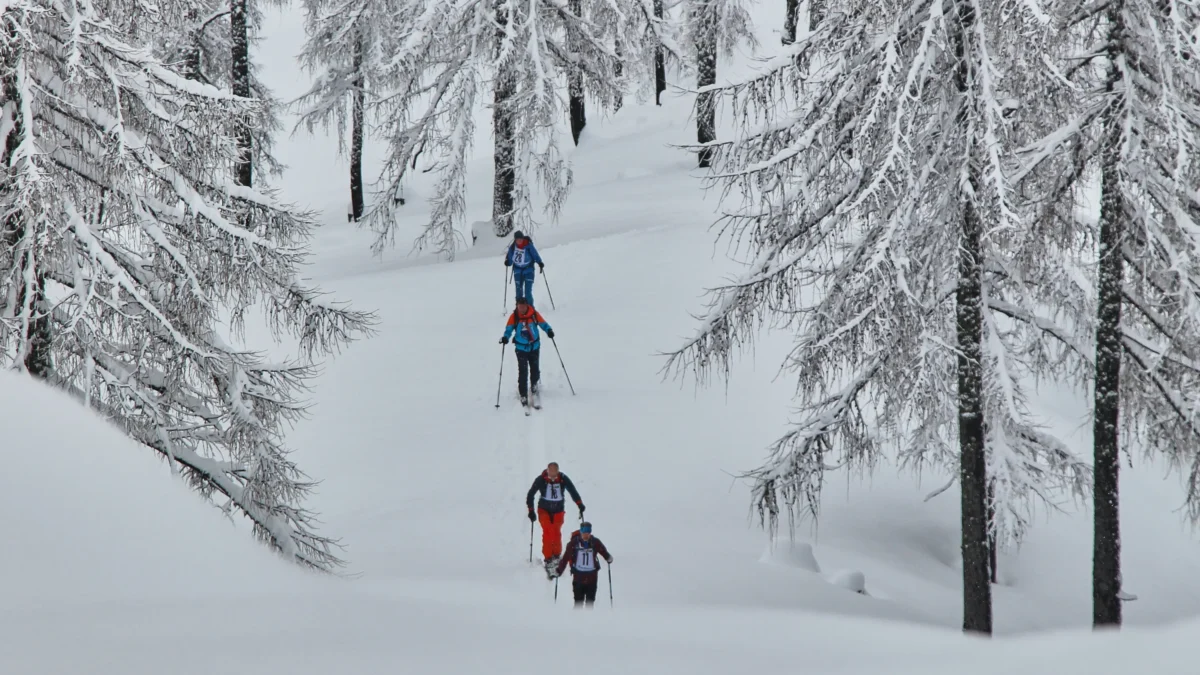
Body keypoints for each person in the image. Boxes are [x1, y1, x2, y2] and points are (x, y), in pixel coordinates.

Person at [526, 462, 585, 567]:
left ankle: (556, 555)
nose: (553, 477)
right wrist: (531, 510)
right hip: (544, 509)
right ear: (547, 471)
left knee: (556, 532)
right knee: (548, 531)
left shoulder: (563, 479)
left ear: (558, 472)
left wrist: (579, 504)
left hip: (558, 510)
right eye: (551, 474)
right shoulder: (541, 479)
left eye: (555, 474)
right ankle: (548, 557)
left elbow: (572, 491)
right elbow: (531, 494)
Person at [500, 297, 554, 407]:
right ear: (517, 306)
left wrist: (549, 330)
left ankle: (534, 386)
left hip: (534, 347)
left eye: (523, 306)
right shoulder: (514, 316)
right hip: (521, 349)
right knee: (523, 372)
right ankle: (523, 394)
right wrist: (505, 337)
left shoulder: (533, 314)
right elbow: (508, 329)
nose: (521, 309)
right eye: (519, 306)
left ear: (526, 305)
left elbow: (543, 323)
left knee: (535, 369)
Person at [553, 521, 612, 608]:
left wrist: (608, 558)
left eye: (588, 531)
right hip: (578, 578)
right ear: (580, 531)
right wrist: (559, 570)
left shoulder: (595, 542)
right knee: (578, 603)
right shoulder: (573, 543)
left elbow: (603, 551)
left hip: (592, 578)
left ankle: (588, 617)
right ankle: (578, 617)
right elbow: (565, 558)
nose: (586, 534)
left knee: (590, 604)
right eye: (584, 532)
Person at [504, 231, 544, 306]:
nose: (519, 241)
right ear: (515, 240)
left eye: (521, 239)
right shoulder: (513, 247)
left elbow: (535, 254)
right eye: (517, 239)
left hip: (529, 269)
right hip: (517, 270)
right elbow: (510, 258)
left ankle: (530, 308)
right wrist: (508, 262)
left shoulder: (528, 245)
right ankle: (519, 308)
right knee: (518, 291)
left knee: (527, 292)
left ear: (523, 238)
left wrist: (540, 262)